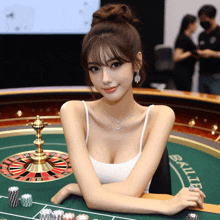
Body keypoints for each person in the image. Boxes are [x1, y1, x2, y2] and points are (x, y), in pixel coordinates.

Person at [51, 4, 206, 216]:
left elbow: (130, 190)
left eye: (115, 64)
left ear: (136, 63)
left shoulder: (160, 116)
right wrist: (166, 205)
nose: (105, 79)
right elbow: (94, 199)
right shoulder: (73, 112)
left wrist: (78, 189)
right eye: (95, 68)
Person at [197, 5, 220, 94]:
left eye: (204, 19)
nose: (202, 21)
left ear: (212, 17)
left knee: (215, 104)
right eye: (200, 19)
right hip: (202, 75)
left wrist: (212, 53)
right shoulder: (201, 35)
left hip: (216, 76)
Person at [173, 14, 198, 91]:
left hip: (188, 73)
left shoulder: (189, 37)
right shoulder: (183, 38)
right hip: (182, 74)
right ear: (190, 24)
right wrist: (191, 53)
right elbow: (176, 57)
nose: (197, 26)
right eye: (195, 24)